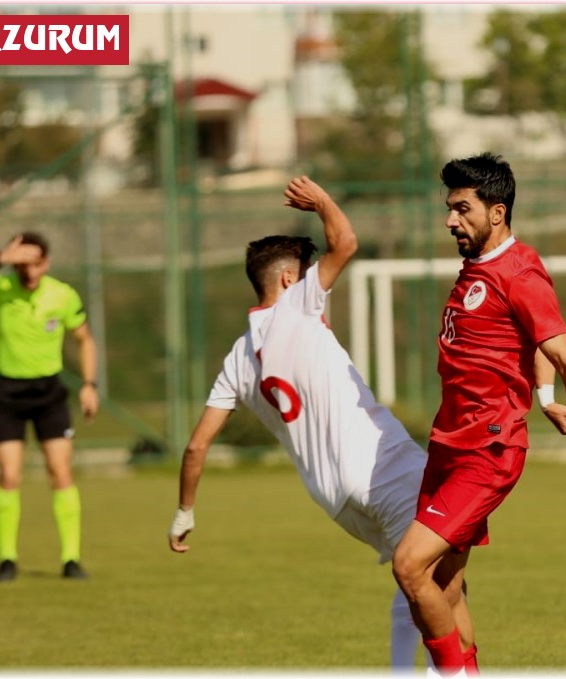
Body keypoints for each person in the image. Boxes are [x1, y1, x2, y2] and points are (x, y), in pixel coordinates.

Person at [167, 176, 435, 670]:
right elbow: (347, 242)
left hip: (333, 499)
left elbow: (196, 448)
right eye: (311, 275)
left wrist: (185, 513)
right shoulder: (297, 305)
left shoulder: (237, 359)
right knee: (444, 584)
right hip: (383, 466)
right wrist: (322, 202)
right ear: (291, 280)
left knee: (415, 576)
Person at [390, 152, 566, 676]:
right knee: (445, 583)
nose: (450, 220)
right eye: (449, 208)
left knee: (409, 566)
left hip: (487, 450)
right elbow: (529, 340)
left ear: (497, 212)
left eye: (462, 208)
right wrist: (541, 395)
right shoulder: (478, 266)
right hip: (448, 444)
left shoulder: (520, 272)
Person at [0, 232, 99, 582]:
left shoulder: (62, 295)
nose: (30, 270)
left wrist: (90, 385)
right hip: (7, 394)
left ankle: (71, 559)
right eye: (23, 263)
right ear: (15, 263)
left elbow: (84, 338)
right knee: (9, 474)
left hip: (49, 393)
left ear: (46, 263)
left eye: (36, 263)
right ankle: (7, 559)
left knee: (60, 472)